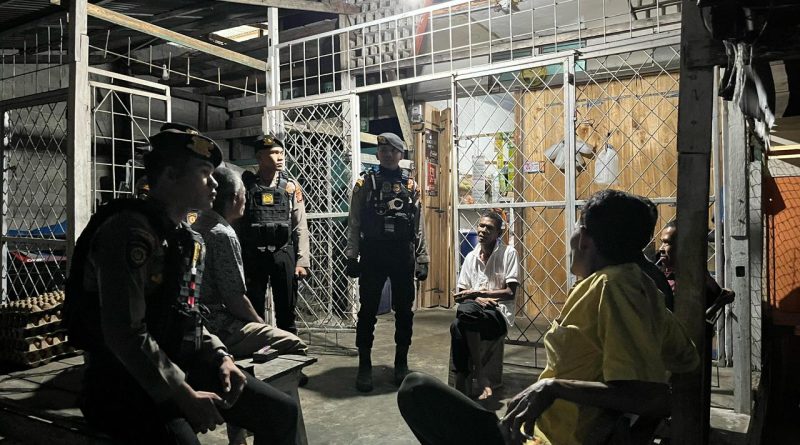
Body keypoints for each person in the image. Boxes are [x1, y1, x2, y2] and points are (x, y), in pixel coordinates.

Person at [397, 189, 699, 445]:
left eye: (577, 228)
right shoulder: (639, 286)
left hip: (547, 440)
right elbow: (686, 358)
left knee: (416, 389)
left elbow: (652, 397)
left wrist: (552, 387)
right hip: (534, 429)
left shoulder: (613, 287)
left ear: (585, 239)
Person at [72, 123, 298, 444]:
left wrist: (221, 356)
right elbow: (125, 334)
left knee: (282, 412)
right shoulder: (129, 233)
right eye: (204, 173)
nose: (214, 183)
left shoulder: (186, 238)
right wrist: (182, 393)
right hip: (124, 379)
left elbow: (188, 314)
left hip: (178, 363)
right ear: (170, 176)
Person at [193, 166, 308, 359]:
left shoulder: (199, 224)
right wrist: (260, 324)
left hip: (198, 318)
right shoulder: (223, 234)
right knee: (294, 343)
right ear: (235, 198)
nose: (246, 200)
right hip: (216, 323)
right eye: (243, 195)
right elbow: (235, 299)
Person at [345, 132, 429, 392]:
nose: (388, 154)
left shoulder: (411, 185)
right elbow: (354, 221)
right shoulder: (366, 183)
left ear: (400, 154)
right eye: (383, 150)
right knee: (367, 310)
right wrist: (351, 255)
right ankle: (364, 366)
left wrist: (422, 257)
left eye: (393, 150)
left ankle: (401, 363)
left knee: (404, 311)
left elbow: (418, 224)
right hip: (373, 253)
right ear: (378, 154)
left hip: (402, 253)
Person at [657, 220, 735, 443]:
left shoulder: (692, 280)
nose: (661, 248)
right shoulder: (660, 275)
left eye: (667, 243)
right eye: (662, 242)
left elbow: (715, 297)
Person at [239, 134, 310, 334]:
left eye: (281, 153)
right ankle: (257, 348)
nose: (280, 157)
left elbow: (300, 224)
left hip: (283, 251)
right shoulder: (246, 185)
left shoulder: (290, 187)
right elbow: (237, 222)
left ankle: (289, 348)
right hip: (253, 255)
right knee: (253, 310)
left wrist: (302, 261)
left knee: (287, 311)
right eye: (274, 153)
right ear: (260, 158)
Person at [451, 211, 519, 400]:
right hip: (473, 311)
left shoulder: (508, 253)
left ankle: (468, 378)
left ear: (498, 233)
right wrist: (476, 298)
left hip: (497, 314)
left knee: (462, 319)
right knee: (460, 321)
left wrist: (477, 294)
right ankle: (474, 376)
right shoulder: (471, 257)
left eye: (489, 228)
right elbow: (461, 295)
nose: (483, 230)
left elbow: (510, 292)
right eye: (481, 226)